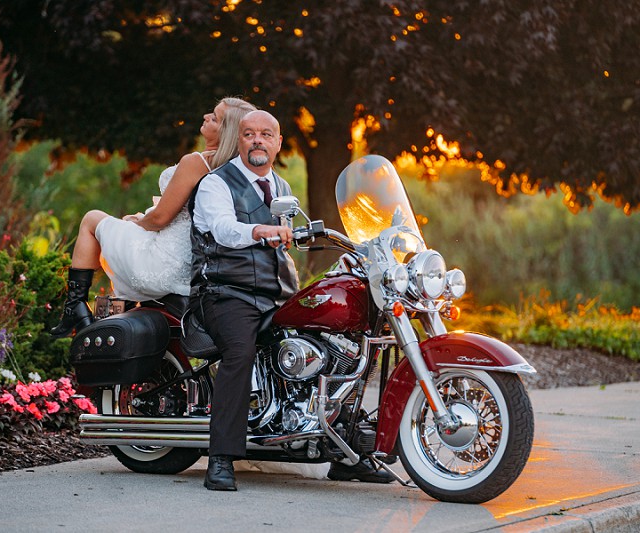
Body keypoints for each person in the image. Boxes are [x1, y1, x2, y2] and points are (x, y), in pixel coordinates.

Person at [189, 110, 391, 491]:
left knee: (345, 342)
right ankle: (221, 458)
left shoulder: (281, 187)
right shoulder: (216, 184)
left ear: (279, 143)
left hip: (275, 294)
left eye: (266, 134)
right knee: (240, 351)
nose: (257, 141)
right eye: (249, 134)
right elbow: (223, 230)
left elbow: (297, 233)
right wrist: (262, 230)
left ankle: (347, 453)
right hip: (225, 292)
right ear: (239, 141)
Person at [50, 97, 257, 338]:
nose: (205, 117)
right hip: (192, 266)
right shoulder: (240, 171)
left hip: (163, 263)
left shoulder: (197, 162)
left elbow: (160, 219)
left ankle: (74, 307)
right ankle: (98, 311)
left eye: (214, 117)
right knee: (117, 230)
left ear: (227, 131)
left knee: (91, 219)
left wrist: (138, 222)